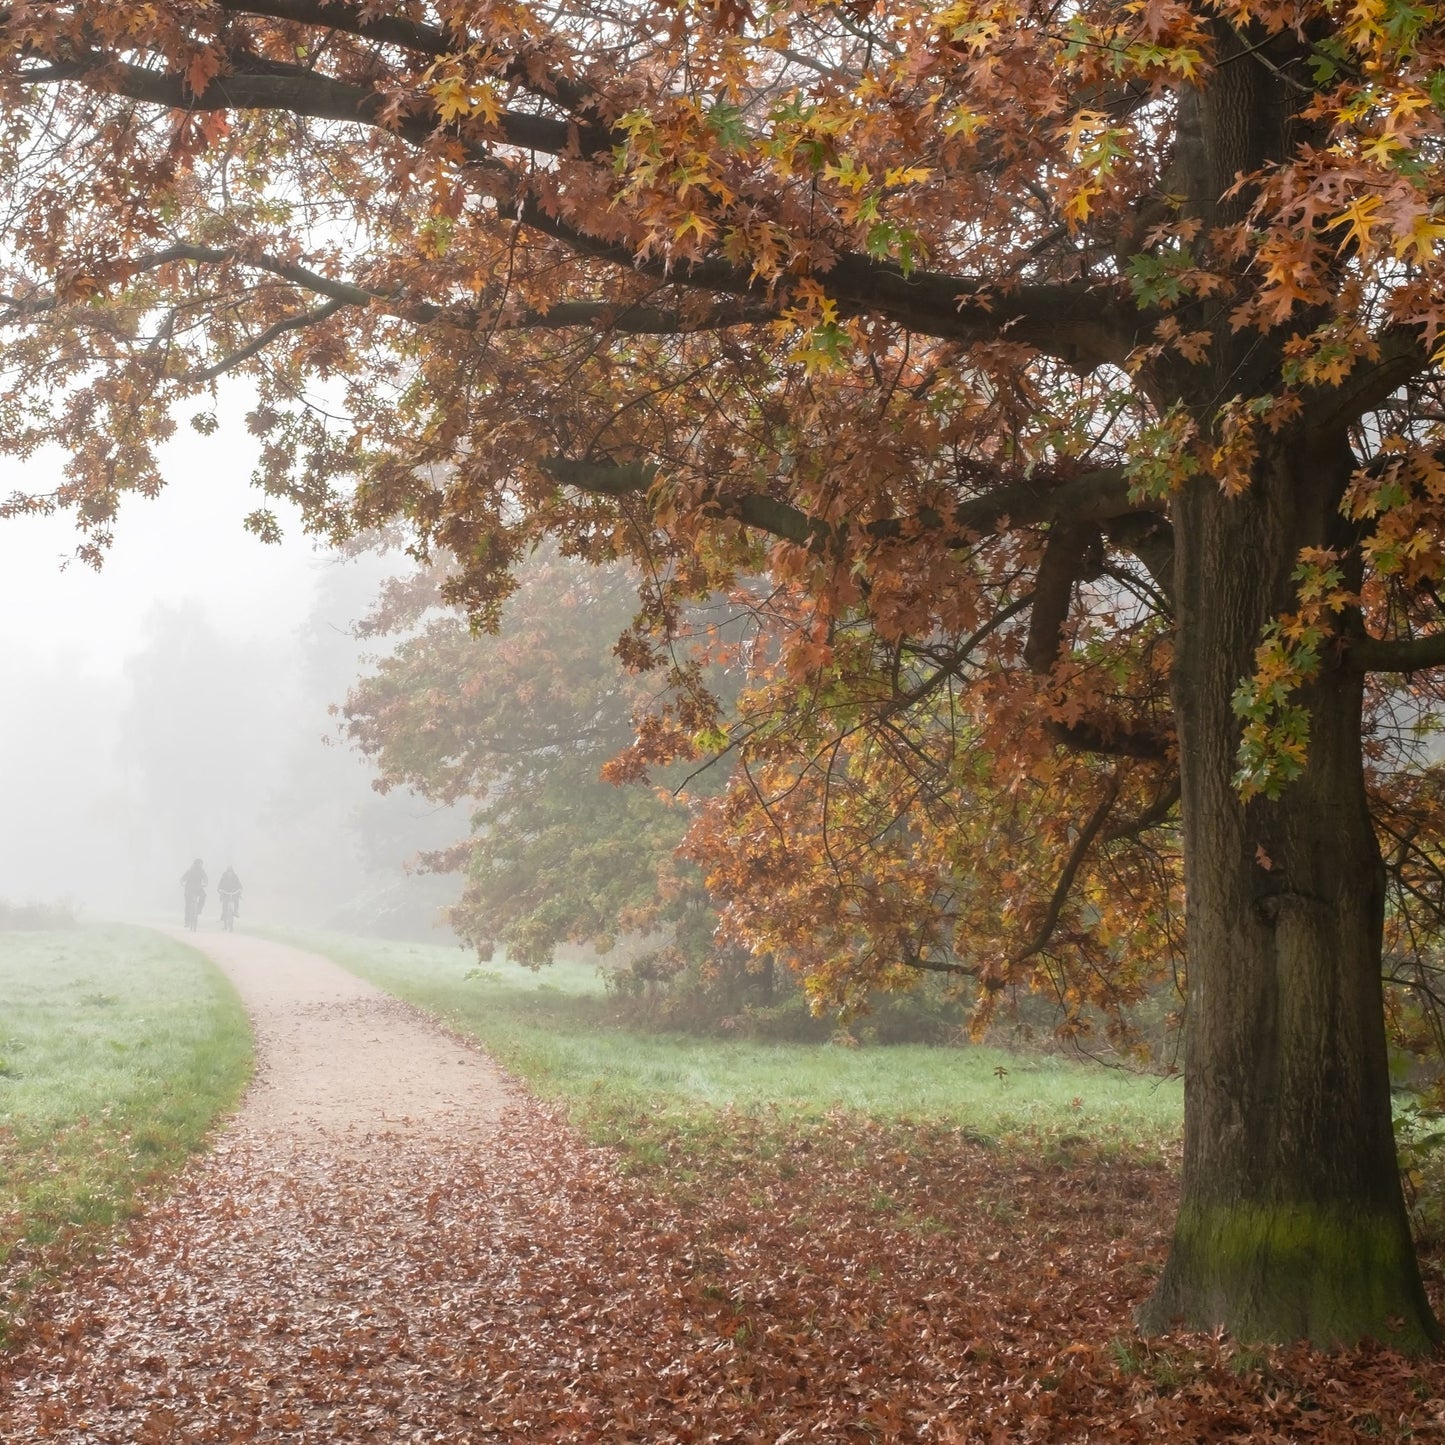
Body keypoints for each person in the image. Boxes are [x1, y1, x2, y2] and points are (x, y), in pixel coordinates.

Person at [181, 858, 207, 930]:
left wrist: (205, 882)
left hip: (197, 888)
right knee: (188, 905)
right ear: (196, 864)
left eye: (201, 864)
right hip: (189, 889)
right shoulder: (190, 871)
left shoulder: (202, 871)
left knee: (203, 895)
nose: (201, 865)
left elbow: (205, 878)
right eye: (199, 863)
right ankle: (187, 921)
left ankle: (199, 909)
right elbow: (183, 878)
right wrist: (182, 881)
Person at [217, 865, 242, 931]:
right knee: (224, 906)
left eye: (230, 872)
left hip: (233, 893)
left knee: (236, 901)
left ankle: (235, 912)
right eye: (228, 872)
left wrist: (239, 889)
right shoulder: (223, 877)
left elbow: (239, 884)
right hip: (225, 893)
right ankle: (225, 922)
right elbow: (220, 885)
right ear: (227, 872)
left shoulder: (235, 877)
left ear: (232, 872)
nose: (229, 873)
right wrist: (220, 890)